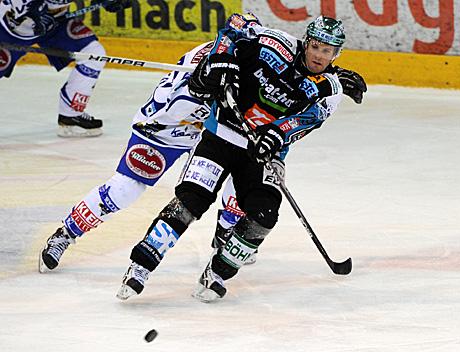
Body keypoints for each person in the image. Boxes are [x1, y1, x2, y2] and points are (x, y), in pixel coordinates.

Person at [115, 15, 367, 302]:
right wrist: (222, 59)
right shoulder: (274, 44)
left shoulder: (330, 90)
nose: (319, 55)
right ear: (306, 42)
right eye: (316, 46)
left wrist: (275, 135)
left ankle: (218, 272)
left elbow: (303, 122)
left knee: (264, 215)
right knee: (190, 202)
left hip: (261, 153)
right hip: (221, 134)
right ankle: (140, 266)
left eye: (327, 51)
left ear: (336, 54)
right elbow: (235, 25)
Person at [37, 13, 265, 274]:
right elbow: (176, 109)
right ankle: (65, 233)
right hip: (166, 128)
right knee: (123, 191)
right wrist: (202, 90)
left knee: (243, 170)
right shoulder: (206, 61)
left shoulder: (250, 63)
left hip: (211, 130)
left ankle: (225, 234)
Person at [0, 0, 131, 137]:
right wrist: (32, 13)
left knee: (93, 53)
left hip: (54, 25)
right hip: (9, 29)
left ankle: (71, 116)